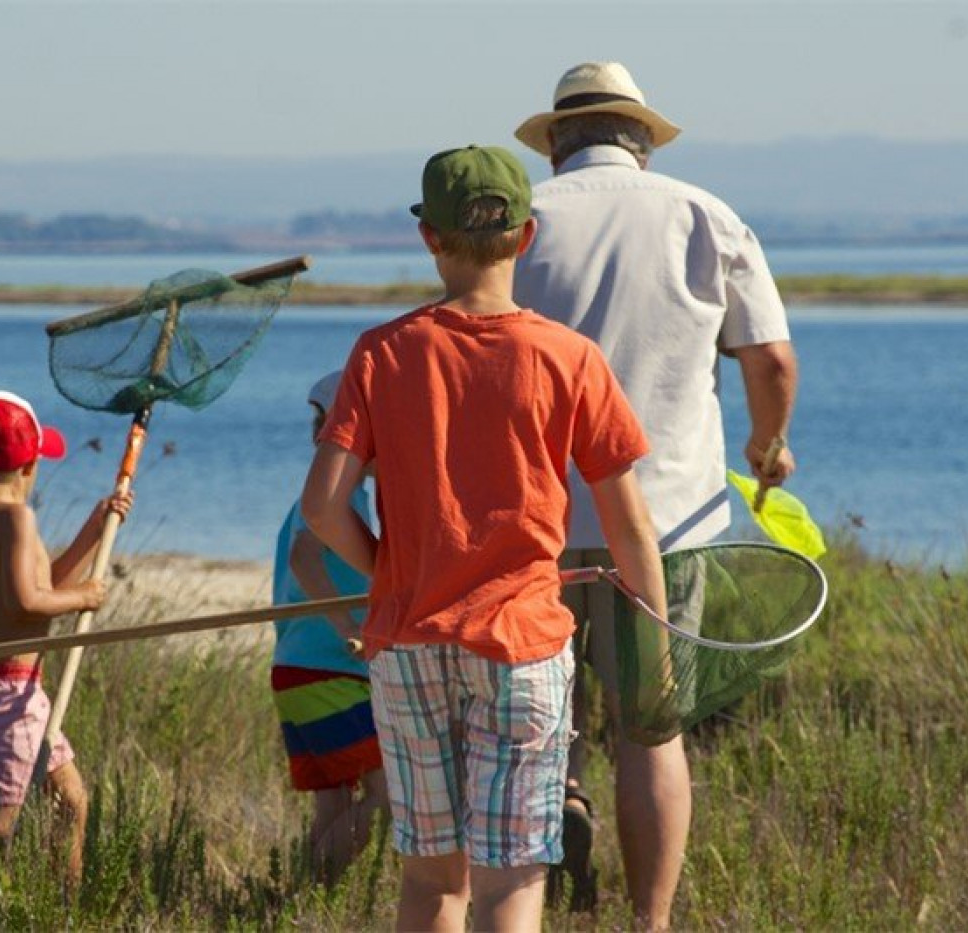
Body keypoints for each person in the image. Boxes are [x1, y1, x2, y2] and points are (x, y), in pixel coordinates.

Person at [301, 145, 668, 932]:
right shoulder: (569, 357)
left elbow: (323, 507)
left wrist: (387, 575)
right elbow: (630, 525)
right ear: (526, 236)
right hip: (522, 645)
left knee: (433, 879)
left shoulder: (381, 352)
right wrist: (660, 637)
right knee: (509, 883)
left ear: (429, 238)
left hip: (406, 644)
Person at [513, 61, 800, 926]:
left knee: (534, 718)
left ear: (558, 140)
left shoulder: (521, 219)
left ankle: (555, 816)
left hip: (537, 520)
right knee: (652, 728)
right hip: (670, 520)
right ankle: (651, 919)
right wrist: (766, 444)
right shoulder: (704, 214)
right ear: (640, 138)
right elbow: (772, 358)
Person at [0, 390, 133, 888]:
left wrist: (94, 531)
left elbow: (38, 583)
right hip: (7, 691)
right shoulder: (15, 518)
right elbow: (27, 604)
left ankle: (61, 904)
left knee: (71, 801)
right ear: (29, 464)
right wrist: (85, 599)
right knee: (3, 823)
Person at [270, 370, 388, 884]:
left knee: (335, 804)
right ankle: (299, 895)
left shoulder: (324, 498)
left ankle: (298, 902)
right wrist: (346, 628)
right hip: (330, 671)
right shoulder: (335, 501)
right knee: (392, 801)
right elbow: (303, 558)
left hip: (296, 672)